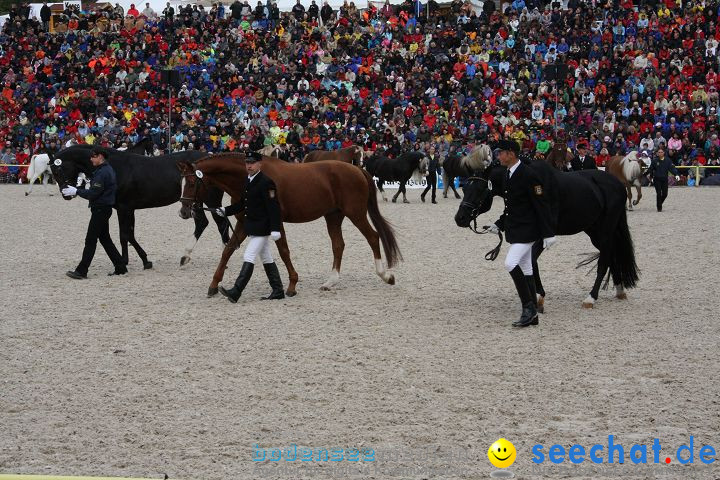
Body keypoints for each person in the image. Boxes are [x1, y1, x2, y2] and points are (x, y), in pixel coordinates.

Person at [483, 140, 556, 328]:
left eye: (501, 153)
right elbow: (512, 207)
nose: (498, 156)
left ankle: (528, 308)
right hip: (517, 228)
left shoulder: (529, 174)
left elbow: (542, 204)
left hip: (529, 230)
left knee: (510, 263)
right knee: (526, 267)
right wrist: (499, 224)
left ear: (511, 154)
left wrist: (548, 233)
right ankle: (533, 314)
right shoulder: (508, 174)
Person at [215, 153, 284, 302]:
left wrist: (275, 228)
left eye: (252, 163)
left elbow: (274, 208)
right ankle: (278, 290)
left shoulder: (266, 182)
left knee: (249, 256)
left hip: (262, 227)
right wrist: (225, 210)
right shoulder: (248, 181)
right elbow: (242, 204)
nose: (249, 166)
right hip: (252, 225)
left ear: (260, 164)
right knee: (266, 257)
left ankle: (236, 291)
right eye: (247, 163)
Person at [62, 148, 127, 279]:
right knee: (105, 239)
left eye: (94, 156)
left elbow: (93, 193)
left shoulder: (102, 172)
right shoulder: (105, 170)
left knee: (90, 240)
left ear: (101, 157)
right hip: (103, 208)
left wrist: (77, 192)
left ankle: (82, 270)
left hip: (100, 209)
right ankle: (120, 267)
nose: (91, 159)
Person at [645, 148, 680, 212]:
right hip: (657, 179)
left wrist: (676, 174)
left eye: (661, 152)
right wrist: (646, 174)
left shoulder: (668, 160)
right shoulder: (654, 161)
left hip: (664, 179)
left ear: (664, 153)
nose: (660, 153)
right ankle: (659, 208)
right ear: (657, 153)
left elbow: (672, 168)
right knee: (658, 193)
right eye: (659, 152)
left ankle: (659, 203)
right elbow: (651, 169)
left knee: (665, 194)